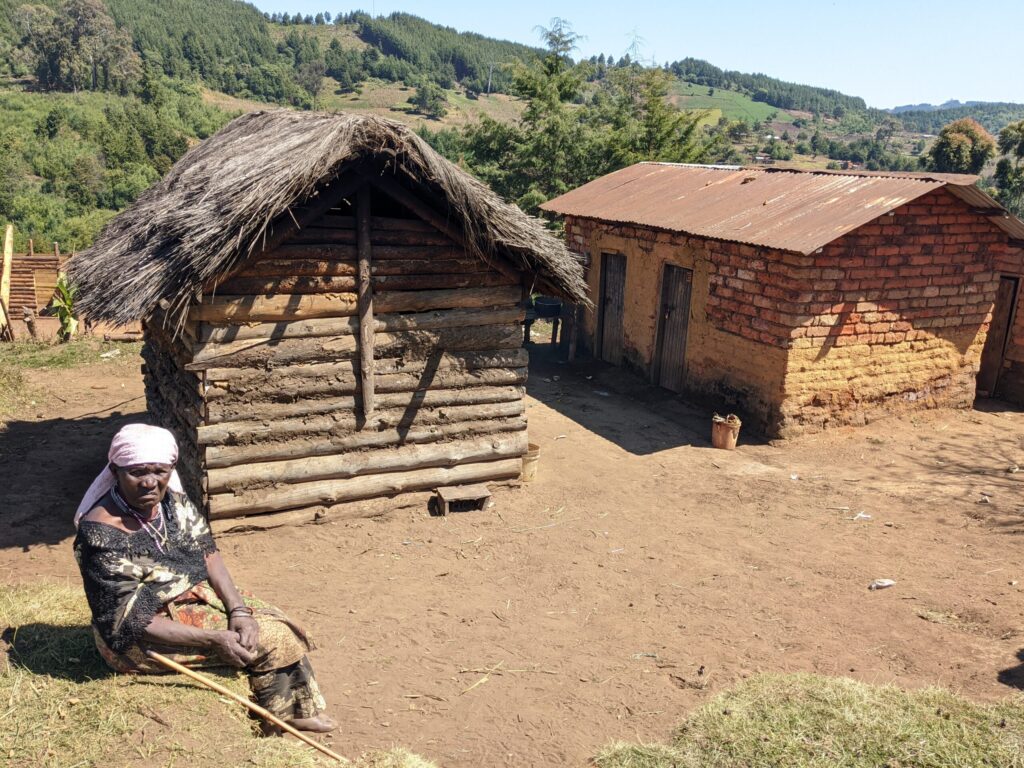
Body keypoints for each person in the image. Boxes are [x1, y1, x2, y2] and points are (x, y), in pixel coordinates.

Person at [73, 423, 337, 733]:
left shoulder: (172, 503)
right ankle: (283, 715)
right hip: (138, 640)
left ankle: (294, 704)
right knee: (270, 637)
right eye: (137, 472)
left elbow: (207, 553)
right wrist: (214, 639)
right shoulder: (101, 534)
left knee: (268, 618)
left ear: (171, 469)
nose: (149, 482)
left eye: (159, 471)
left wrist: (237, 609)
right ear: (115, 471)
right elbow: (128, 621)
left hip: (183, 598)